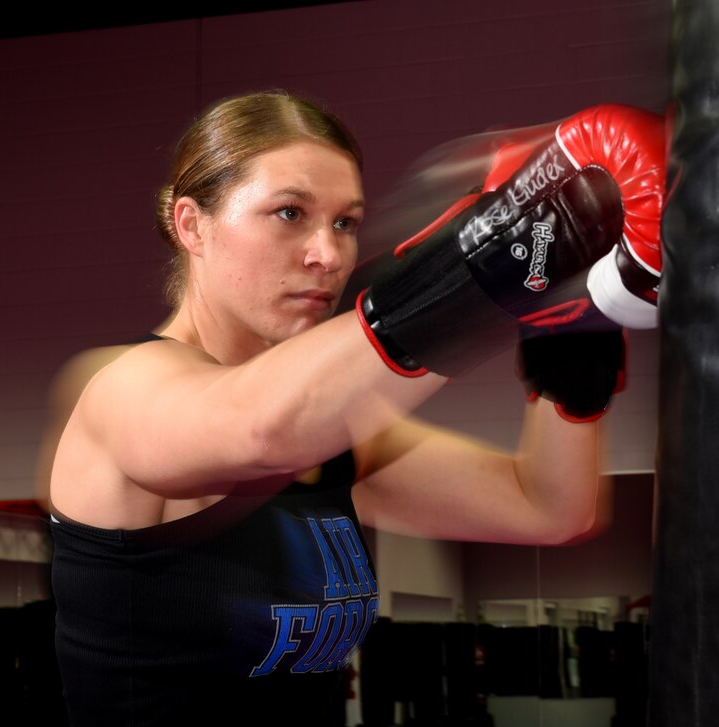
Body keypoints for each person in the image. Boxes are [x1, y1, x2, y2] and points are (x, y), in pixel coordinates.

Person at [40, 89, 664, 725]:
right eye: (289, 214)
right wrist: (499, 253)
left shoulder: (336, 442)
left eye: (345, 223)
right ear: (192, 225)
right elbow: (258, 429)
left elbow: (549, 508)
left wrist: (574, 340)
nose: (329, 255)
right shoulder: (117, 391)